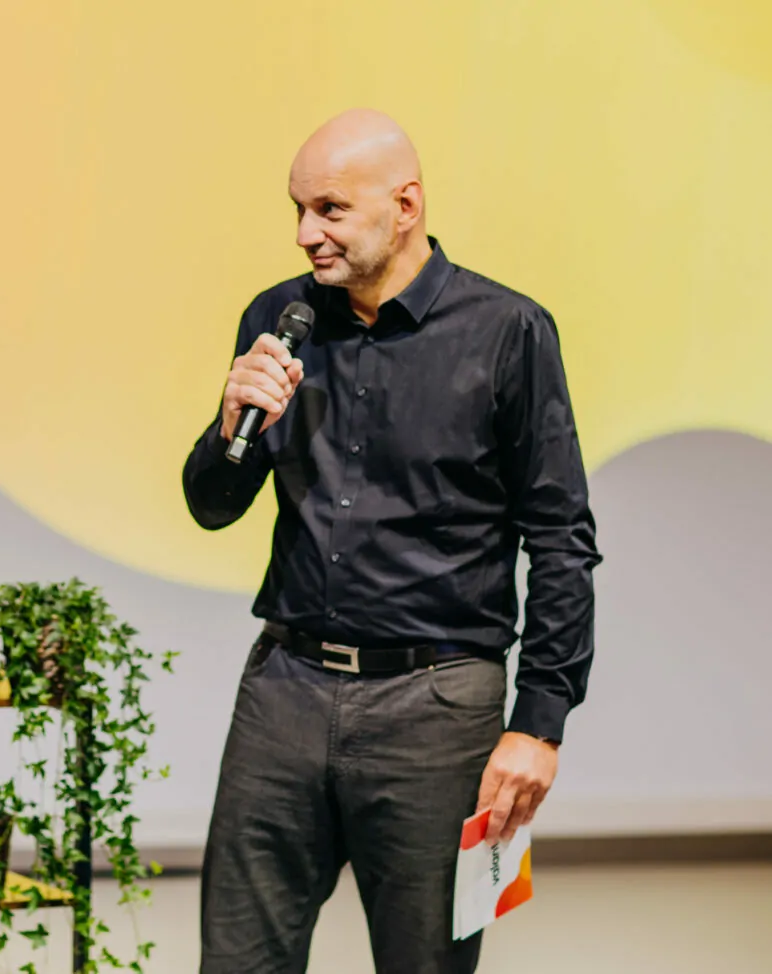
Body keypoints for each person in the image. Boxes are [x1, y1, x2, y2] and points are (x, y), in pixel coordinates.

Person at [183, 109, 600, 973]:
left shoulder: (508, 331)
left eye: (330, 209)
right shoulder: (280, 318)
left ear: (405, 206)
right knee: (237, 960)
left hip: (436, 706)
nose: (306, 233)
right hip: (285, 690)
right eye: (299, 209)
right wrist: (230, 429)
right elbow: (212, 507)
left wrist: (539, 725)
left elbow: (561, 539)